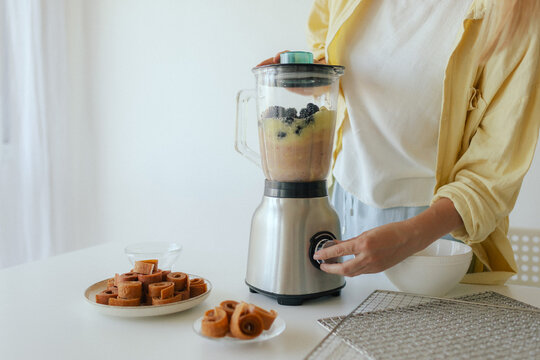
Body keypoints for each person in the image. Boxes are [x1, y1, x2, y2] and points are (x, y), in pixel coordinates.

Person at [258, 0, 540, 284]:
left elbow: (491, 176)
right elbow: (332, 57)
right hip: (344, 204)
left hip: (436, 237)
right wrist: (316, 75)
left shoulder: (517, 13)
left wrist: (410, 236)